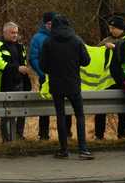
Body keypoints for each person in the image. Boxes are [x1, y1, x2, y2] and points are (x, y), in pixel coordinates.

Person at [39, 15, 93, 160]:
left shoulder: (48, 42)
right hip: (73, 83)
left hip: (56, 84)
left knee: (60, 115)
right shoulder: (76, 40)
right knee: (80, 115)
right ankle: (83, 149)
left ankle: (64, 150)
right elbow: (86, 61)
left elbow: (43, 66)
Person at [30, 12, 72, 140]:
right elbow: (33, 58)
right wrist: (43, 73)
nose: (51, 26)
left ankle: (67, 134)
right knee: (45, 107)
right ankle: (43, 135)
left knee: (66, 107)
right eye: (49, 24)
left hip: (64, 77)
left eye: (53, 24)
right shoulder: (38, 38)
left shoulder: (65, 36)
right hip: (46, 78)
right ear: (45, 24)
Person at [0, 22, 31, 142]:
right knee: (7, 114)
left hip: (20, 83)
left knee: (21, 112)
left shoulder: (20, 46)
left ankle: (19, 136)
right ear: (5, 32)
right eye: (12, 32)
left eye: (16, 32)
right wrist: (17, 68)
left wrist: (24, 70)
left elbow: (24, 62)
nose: (15, 35)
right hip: (5, 84)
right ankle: (7, 139)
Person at [95, 16, 125, 139]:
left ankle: (122, 135)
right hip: (106, 82)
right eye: (110, 28)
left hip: (121, 79)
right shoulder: (106, 40)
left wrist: (114, 48)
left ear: (121, 28)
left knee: (122, 109)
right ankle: (99, 135)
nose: (111, 30)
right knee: (100, 109)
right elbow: (95, 55)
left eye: (113, 28)